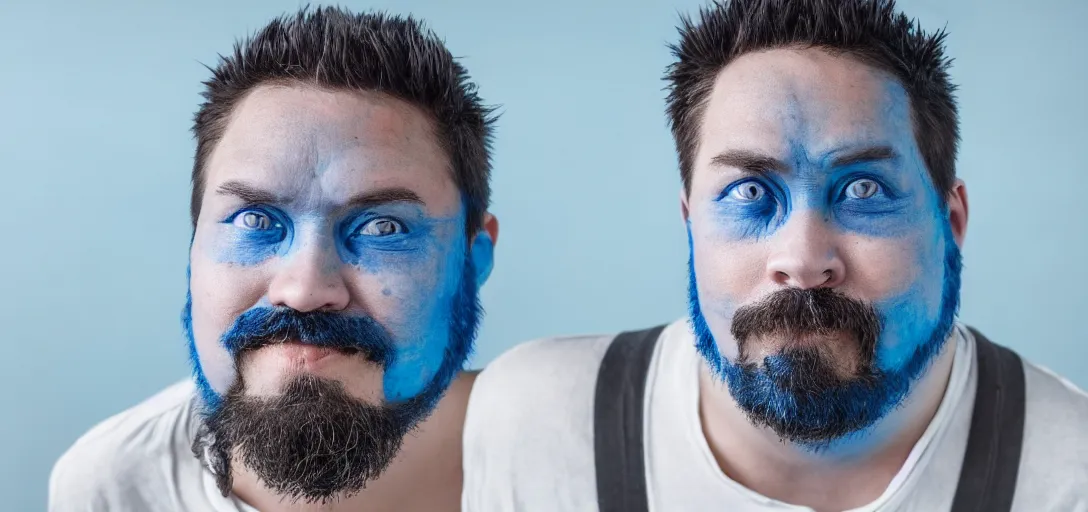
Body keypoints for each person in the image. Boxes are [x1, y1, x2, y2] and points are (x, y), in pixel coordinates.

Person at [462, 0, 1088, 510]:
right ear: (691, 222)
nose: (804, 259)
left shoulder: (1070, 473)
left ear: (950, 223)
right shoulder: (536, 425)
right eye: (750, 192)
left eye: (863, 190)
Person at [49, 6, 498, 512]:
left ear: (473, 257)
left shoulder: (579, 442)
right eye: (255, 221)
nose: (304, 290)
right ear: (194, 246)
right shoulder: (115, 485)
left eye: (382, 227)